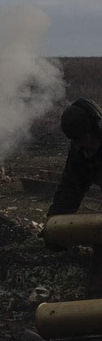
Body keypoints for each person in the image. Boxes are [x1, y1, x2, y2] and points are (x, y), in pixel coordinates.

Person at [45, 98, 102, 299]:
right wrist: (55, 225)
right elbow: (70, 188)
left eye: (82, 139)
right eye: (75, 141)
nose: (80, 146)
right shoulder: (79, 150)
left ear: (96, 128)